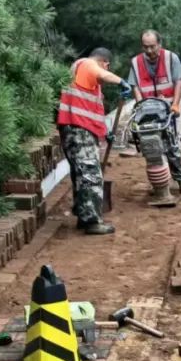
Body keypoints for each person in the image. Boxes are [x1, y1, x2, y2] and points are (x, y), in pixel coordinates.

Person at [57, 47, 131, 235]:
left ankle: (84, 215)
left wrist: (105, 132)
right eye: (106, 67)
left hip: (78, 130)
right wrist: (121, 82)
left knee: (81, 175)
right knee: (90, 174)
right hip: (78, 131)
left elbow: (92, 111)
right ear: (105, 63)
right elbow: (102, 74)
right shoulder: (87, 64)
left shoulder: (87, 81)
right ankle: (91, 222)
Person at [127, 30, 181, 195]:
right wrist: (139, 105)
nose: (149, 51)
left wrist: (176, 104)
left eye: (152, 46)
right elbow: (135, 86)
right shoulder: (136, 62)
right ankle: (158, 182)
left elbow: (178, 82)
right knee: (150, 146)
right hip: (146, 111)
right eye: (146, 47)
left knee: (172, 145)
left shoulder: (171, 58)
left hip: (166, 109)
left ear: (159, 44)